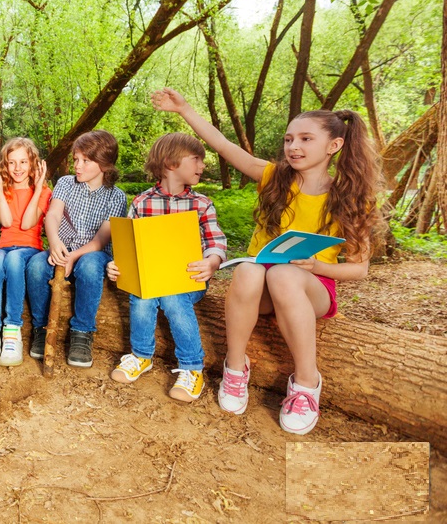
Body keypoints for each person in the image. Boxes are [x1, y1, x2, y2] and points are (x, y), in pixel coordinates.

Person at [152, 87, 381, 433]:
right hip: (259, 288)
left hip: (311, 288)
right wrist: (184, 109)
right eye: (289, 139)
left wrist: (316, 267)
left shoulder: (350, 196)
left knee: (285, 275)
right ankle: (235, 366)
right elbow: (224, 147)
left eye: (305, 139)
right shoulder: (274, 177)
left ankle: (306, 383)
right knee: (248, 269)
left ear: (334, 145)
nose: (293, 147)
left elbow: (359, 269)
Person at [106, 133, 227, 401]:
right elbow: (128, 245)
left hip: (187, 279)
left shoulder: (201, 204)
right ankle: (140, 355)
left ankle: (192, 368)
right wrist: (117, 265)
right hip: (151, 278)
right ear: (171, 163)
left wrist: (212, 262)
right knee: (141, 298)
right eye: (196, 159)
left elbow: (216, 241)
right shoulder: (141, 202)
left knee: (173, 299)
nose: (202, 165)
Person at [26, 130, 127, 368]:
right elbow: (53, 215)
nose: (78, 166)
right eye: (76, 160)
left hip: (91, 252)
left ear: (104, 164)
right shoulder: (65, 183)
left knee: (91, 267)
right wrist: (55, 244)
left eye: (85, 161)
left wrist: (74, 256)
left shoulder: (116, 196)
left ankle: (82, 332)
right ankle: (41, 328)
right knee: (36, 266)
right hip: (61, 247)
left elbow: (102, 238)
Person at [0, 137, 51, 375]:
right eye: (11, 163)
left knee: (15, 260)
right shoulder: (4, 190)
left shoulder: (45, 191)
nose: (17, 168)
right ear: (4, 166)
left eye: (23, 162)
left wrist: (38, 188)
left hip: (29, 248)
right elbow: (6, 222)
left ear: (33, 164)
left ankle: (12, 331)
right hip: (4, 246)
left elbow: (28, 223)